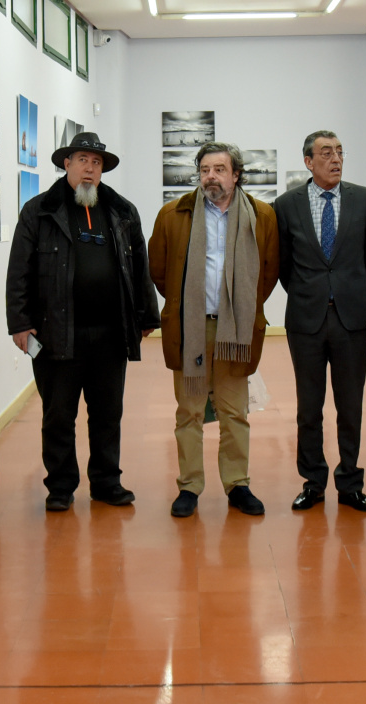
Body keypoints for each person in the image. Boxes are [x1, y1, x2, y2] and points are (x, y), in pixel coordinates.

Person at [6, 132, 161, 511]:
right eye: (82, 161)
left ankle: (107, 482)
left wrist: (145, 314)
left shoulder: (122, 211)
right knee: (58, 415)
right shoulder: (39, 210)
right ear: (66, 164)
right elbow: (19, 271)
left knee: (108, 414)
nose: (89, 169)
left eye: (96, 163)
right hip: (58, 332)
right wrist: (20, 323)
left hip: (110, 333)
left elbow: (139, 266)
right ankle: (60, 487)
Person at [150, 142, 280, 518]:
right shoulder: (174, 214)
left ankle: (237, 484)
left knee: (233, 411)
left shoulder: (261, 215)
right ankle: (189, 486)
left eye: (219, 169)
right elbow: (159, 269)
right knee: (188, 412)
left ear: (235, 174)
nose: (211, 177)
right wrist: (184, 307)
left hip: (234, 333)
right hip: (191, 330)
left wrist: (241, 310)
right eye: (205, 169)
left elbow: (268, 271)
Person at [274, 131, 366, 512]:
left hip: (352, 318)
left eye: (339, 152)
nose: (335, 159)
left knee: (350, 405)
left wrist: (349, 292)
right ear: (308, 161)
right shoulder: (286, 205)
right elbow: (283, 265)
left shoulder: (363, 199)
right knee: (309, 406)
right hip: (306, 319)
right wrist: (312, 293)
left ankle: (350, 482)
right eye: (325, 153)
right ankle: (313, 481)